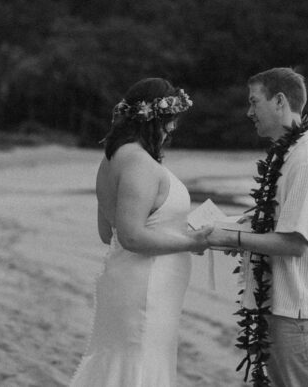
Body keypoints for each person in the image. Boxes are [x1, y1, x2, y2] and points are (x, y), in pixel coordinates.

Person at [207, 67, 308, 387]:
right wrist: (239, 228)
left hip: (298, 310)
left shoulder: (306, 161)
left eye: (254, 102)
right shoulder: (287, 158)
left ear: (280, 101)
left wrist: (230, 237)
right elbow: (280, 223)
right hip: (282, 306)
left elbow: (295, 243)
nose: (249, 112)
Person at [70, 77, 211, 387]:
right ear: (158, 118)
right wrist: (192, 241)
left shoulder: (112, 159)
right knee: (137, 371)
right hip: (145, 290)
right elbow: (131, 236)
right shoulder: (139, 163)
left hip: (135, 284)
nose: (172, 130)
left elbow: (108, 232)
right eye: (171, 121)